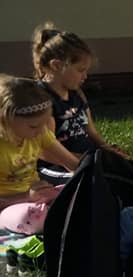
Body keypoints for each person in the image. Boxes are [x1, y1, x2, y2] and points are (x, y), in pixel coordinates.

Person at [32, 22, 125, 184]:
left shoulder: (76, 93)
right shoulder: (42, 99)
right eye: (81, 70)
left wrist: (107, 151)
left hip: (84, 160)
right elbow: (46, 151)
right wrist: (85, 162)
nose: (85, 76)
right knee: (99, 181)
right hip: (55, 166)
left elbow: (91, 131)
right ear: (56, 65)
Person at [0, 75, 80, 234]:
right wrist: (27, 197)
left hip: (38, 200)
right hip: (11, 207)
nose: (41, 131)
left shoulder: (39, 133)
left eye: (44, 123)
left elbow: (72, 163)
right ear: (5, 121)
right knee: (28, 217)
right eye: (33, 126)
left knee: (82, 196)